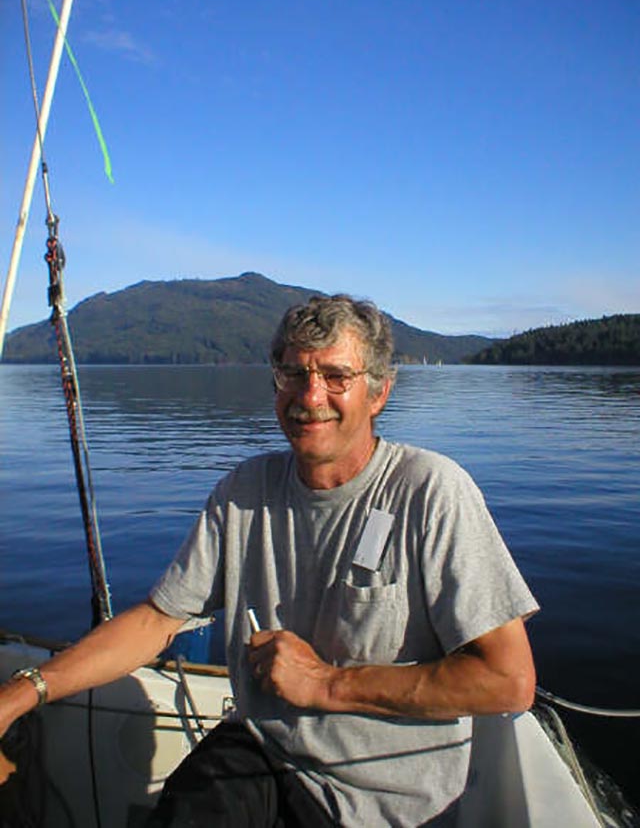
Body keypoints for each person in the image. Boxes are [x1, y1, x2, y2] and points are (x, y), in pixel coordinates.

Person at [0, 294, 538, 826]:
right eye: (293, 374)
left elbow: (507, 680)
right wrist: (22, 693)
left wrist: (326, 684)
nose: (310, 395)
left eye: (336, 376)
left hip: (384, 800)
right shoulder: (244, 491)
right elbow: (157, 621)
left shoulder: (431, 492)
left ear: (379, 393)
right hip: (262, 749)